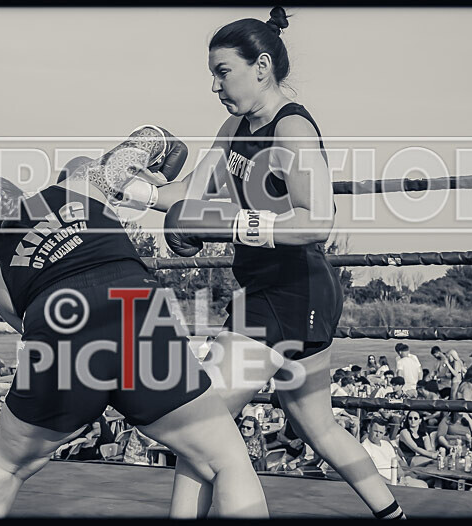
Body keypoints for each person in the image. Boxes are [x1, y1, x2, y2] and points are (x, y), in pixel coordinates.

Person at [128, 11, 406, 515]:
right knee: (317, 426)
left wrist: (232, 224)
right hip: (269, 291)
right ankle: (394, 514)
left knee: (198, 420)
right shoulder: (235, 125)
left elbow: (318, 221)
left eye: (223, 71)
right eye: (212, 73)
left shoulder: (291, 129)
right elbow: (191, 191)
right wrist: (134, 190)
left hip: (292, 292)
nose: (214, 85)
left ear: (261, 67)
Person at [0, 131, 268, 518]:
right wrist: (160, 172)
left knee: (4, 467)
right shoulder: (82, 183)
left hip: (61, 326)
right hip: (137, 308)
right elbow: (155, 136)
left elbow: (30, 328)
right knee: (227, 461)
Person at [360, 418, 428, 488]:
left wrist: (401, 478)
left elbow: (397, 465)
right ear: (369, 429)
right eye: (375, 431)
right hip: (383, 485)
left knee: (423, 485)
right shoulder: (365, 447)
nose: (378, 435)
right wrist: (391, 483)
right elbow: (371, 474)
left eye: (381, 432)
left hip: (397, 481)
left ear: (384, 433)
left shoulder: (386, 444)